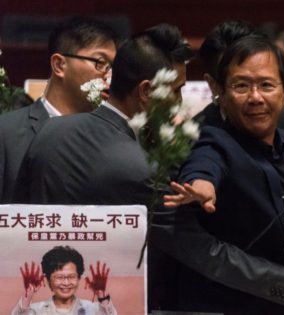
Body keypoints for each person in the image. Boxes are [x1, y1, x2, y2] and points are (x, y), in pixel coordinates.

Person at [12, 23, 192, 312]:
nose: (180, 101)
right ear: (146, 92)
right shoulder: (139, 166)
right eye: (176, 90)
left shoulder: (52, 130)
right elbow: (196, 246)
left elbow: (19, 209)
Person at [157, 35, 284, 315]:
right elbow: (205, 164)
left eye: (266, 85)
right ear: (221, 93)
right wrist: (202, 184)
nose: (255, 97)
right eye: (241, 86)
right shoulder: (213, 140)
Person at [0, 17, 118, 203]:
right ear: (59, 65)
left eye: (113, 67)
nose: (109, 75)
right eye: (101, 63)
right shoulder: (6, 133)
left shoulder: (116, 138)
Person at [194, 20, 284, 139]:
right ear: (214, 86)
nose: (255, 97)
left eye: (264, 83)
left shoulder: (282, 118)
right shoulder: (196, 137)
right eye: (241, 84)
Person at [12, 246, 117, 315]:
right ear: (48, 280)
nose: (66, 283)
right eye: (59, 277)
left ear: (79, 278)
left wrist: (103, 298)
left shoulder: (92, 309)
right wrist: (26, 299)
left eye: (71, 276)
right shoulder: (36, 310)